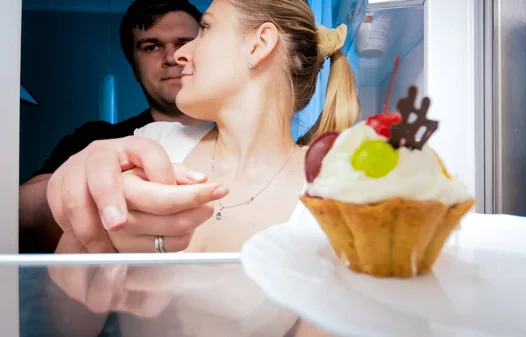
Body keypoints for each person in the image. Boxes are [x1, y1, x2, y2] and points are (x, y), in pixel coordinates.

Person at [48, 0, 359, 335]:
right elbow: (63, 327)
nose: (181, 55)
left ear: (259, 44)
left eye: (205, 28)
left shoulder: (331, 200)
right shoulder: (152, 146)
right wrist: (89, 217)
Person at [19, 0, 206, 253]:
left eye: (183, 44)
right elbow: (18, 215)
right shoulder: (97, 138)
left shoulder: (240, 135)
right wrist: (78, 186)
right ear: (134, 68)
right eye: (152, 47)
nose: (172, 58)